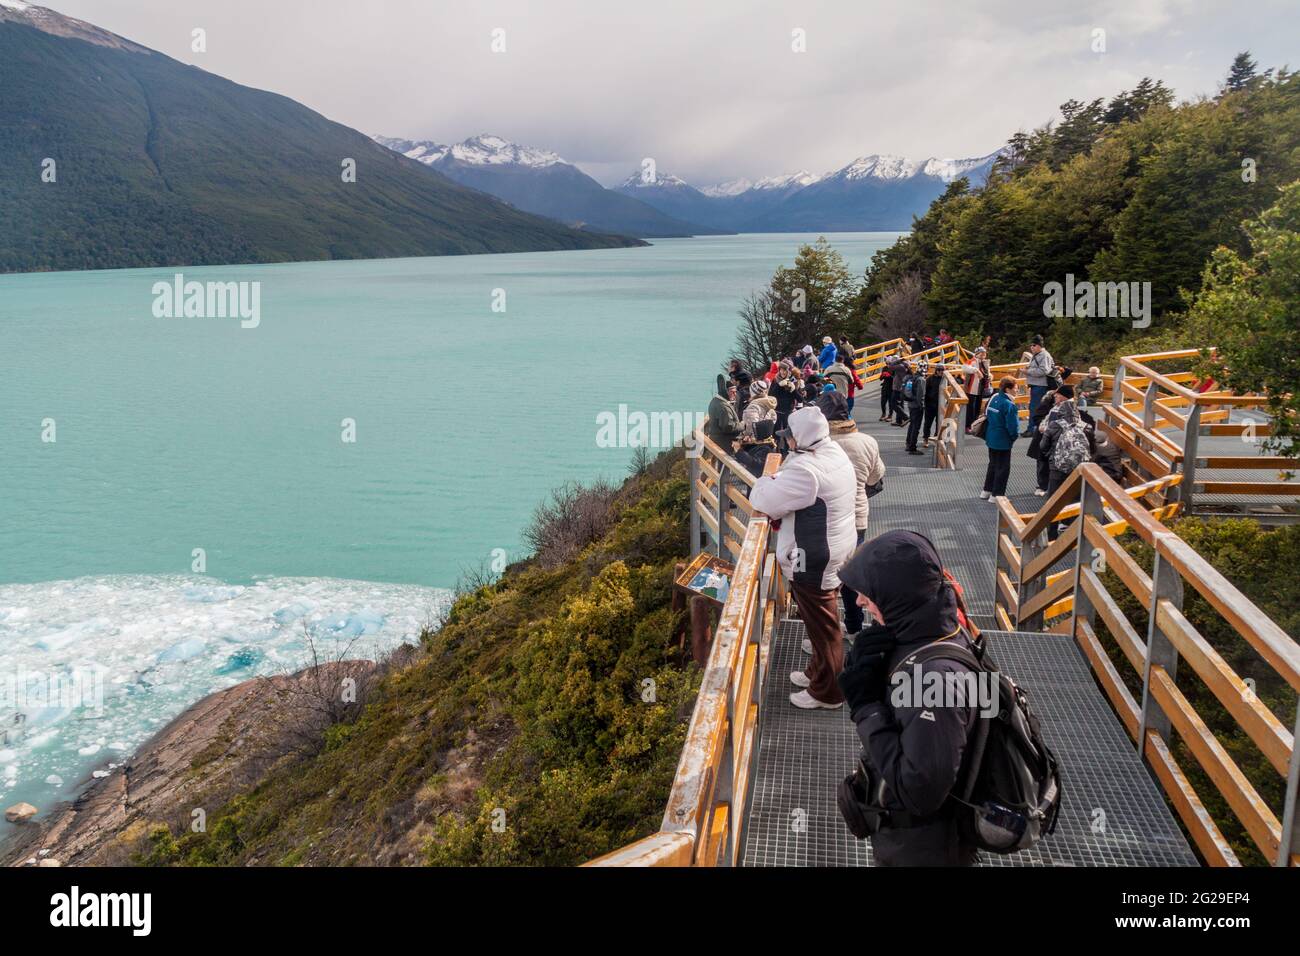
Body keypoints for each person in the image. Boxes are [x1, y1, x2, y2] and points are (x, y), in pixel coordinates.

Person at [835, 530, 982, 866]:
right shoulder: (935, 627)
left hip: (923, 846)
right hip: (914, 836)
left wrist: (866, 707)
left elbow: (919, 791)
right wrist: (867, 670)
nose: (859, 601)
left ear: (896, 596)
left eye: (869, 594)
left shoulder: (936, 682)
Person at [750, 406, 858, 709]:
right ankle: (817, 673)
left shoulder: (806, 471)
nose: (787, 442)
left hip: (813, 558)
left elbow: (763, 499)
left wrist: (765, 481)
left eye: (790, 436)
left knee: (824, 627)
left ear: (801, 439)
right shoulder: (833, 453)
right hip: (835, 548)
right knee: (819, 619)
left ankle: (829, 692)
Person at [822, 391, 885, 636]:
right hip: (857, 517)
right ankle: (854, 629)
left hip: (825, 519)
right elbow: (875, 476)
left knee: (824, 579)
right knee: (852, 574)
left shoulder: (822, 444)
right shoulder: (867, 441)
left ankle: (826, 635)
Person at [979, 376, 1020, 500]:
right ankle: (997, 494)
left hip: (991, 436)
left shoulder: (994, 397)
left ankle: (986, 490)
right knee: (1003, 468)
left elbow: (986, 413)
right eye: (1016, 388)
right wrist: (1014, 437)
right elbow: (1013, 426)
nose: (1017, 390)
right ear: (1008, 389)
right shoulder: (1009, 405)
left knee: (992, 464)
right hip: (1003, 439)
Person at [1023, 336, 1057, 436]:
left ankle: (1032, 430)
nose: (1031, 347)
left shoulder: (1044, 355)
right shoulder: (1038, 355)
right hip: (1036, 385)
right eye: (1031, 345)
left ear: (1039, 345)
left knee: (1035, 408)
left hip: (1040, 385)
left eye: (1034, 345)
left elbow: (1044, 371)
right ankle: (1035, 428)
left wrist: (1027, 371)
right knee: (1035, 407)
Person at [959, 346, 992, 431]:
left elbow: (988, 373)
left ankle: (974, 425)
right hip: (972, 389)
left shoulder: (985, 362)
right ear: (977, 354)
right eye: (981, 353)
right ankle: (968, 426)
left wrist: (990, 376)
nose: (983, 355)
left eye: (984, 353)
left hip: (981, 388)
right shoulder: (972, 361)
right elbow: (965, 368)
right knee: (970, 408)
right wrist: (976, 370)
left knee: (978, 408)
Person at [705, 373, 741, 448]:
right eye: (732, 392)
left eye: (735, 392)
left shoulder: (716, 401)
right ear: (725, 391)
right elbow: (728, 427)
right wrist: (743, 425)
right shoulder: (723, 406)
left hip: (718, 440)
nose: (735, 394)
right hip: (724, 443)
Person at [904, 361, 927, 455]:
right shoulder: (921, 379)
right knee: (916, 427)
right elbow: (920, 395)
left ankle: (908, 444)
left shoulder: (913, 377)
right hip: (916, 406)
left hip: (910, 404)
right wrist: (921, 405)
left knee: (912, 425)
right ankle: (912, 448)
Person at [922, 362, 942, 446]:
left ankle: (936, 437)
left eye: (943, 370)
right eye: (940, 370)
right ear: (936, 371)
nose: (941, 372)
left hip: (940, 405)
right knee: (928, 423)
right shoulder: (930, 379)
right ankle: (926, 439)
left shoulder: (945, 379)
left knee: (939, 423)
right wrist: (925, 403)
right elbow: (925, 391)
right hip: (930, 405)